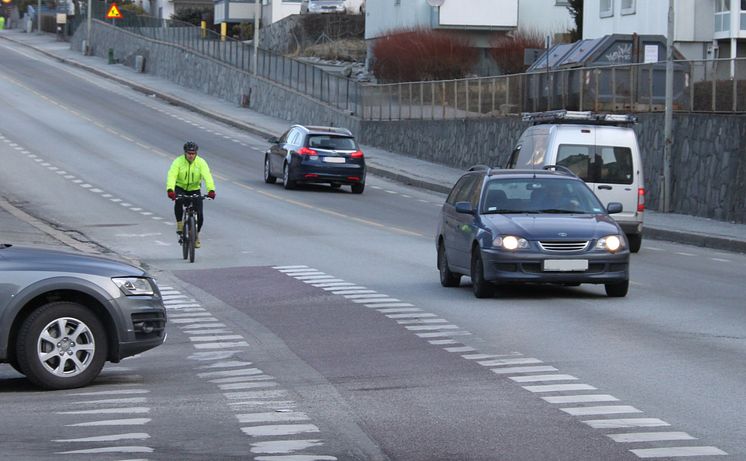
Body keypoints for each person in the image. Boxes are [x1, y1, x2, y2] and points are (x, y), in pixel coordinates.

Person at [166, 142, 216, 248]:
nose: (191, 156)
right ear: (185, 153)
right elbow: (172, 175)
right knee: (178, 201)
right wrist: (170, 189)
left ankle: (196, 235)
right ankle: (180, 225)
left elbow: (207, 176)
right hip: (180, 188)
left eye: (193, 153)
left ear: (196, 153)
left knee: (200, 215)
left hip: (195, 189)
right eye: (189, 153)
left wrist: (211, 190)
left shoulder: (201, 162)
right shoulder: (178, 162)